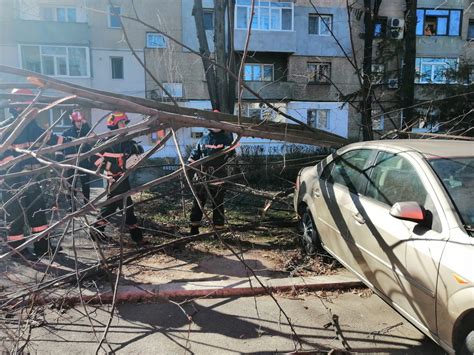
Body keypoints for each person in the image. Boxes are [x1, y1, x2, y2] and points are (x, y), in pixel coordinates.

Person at [0, 88, 66, 257]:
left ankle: (43, 247)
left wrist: (82, 143)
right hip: (12, 182)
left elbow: (55, 140)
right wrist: (15, 168)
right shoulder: (7, 128)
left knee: (38, 213)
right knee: (16, 216)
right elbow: (3, 158)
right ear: (17, 106)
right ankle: (18, 250)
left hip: (33, 180)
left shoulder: (35, 128)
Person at [90, 112, 144, 244]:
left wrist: (137, 150)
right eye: (122, 123)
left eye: (125, 123)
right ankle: (137, 238)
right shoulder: (105, 142)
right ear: (114, 125)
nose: (125, 126)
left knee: (111, 207)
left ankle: (95, 231)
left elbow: (137, 154)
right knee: (127, 207)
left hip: (122, 178)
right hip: (112, 179)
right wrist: (111, 166)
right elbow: (94, 159)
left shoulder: (127, 141)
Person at [187, 123, 235, 235]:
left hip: (219, 178)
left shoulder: (227, 140)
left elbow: (232, 157)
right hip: (201, 178)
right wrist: (189, 168)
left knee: (218, 204)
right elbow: (194, 156)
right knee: (198, 203)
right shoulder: (203, 140)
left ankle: (218, 232)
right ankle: (194, 229)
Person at [62, 110, 92, 210]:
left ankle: (87, 205)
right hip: (71, 163)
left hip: (84, 162)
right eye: (78, 121)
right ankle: (72, 206)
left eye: (81, 121)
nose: (79, 123)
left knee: (86, 184)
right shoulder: (66, 133)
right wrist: (61, 163)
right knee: (71, 185)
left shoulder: (86, 132)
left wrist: (86, 124)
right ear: (73, 122)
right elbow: (60, 150)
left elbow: (93, 137)